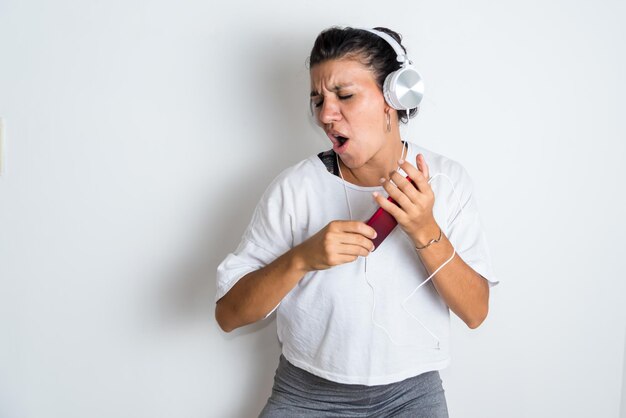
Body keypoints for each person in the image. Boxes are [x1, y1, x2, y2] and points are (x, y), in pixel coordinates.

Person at [215, 26, 498, 417]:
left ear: (394, 97)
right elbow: (229, 315)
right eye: (318, 101)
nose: (326, 115)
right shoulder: (295, 189)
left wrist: (425, 230)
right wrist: (302, 258)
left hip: (412, 398)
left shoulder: (447, 181)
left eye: (345, 95)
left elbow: (476, 312)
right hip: (306, 396)